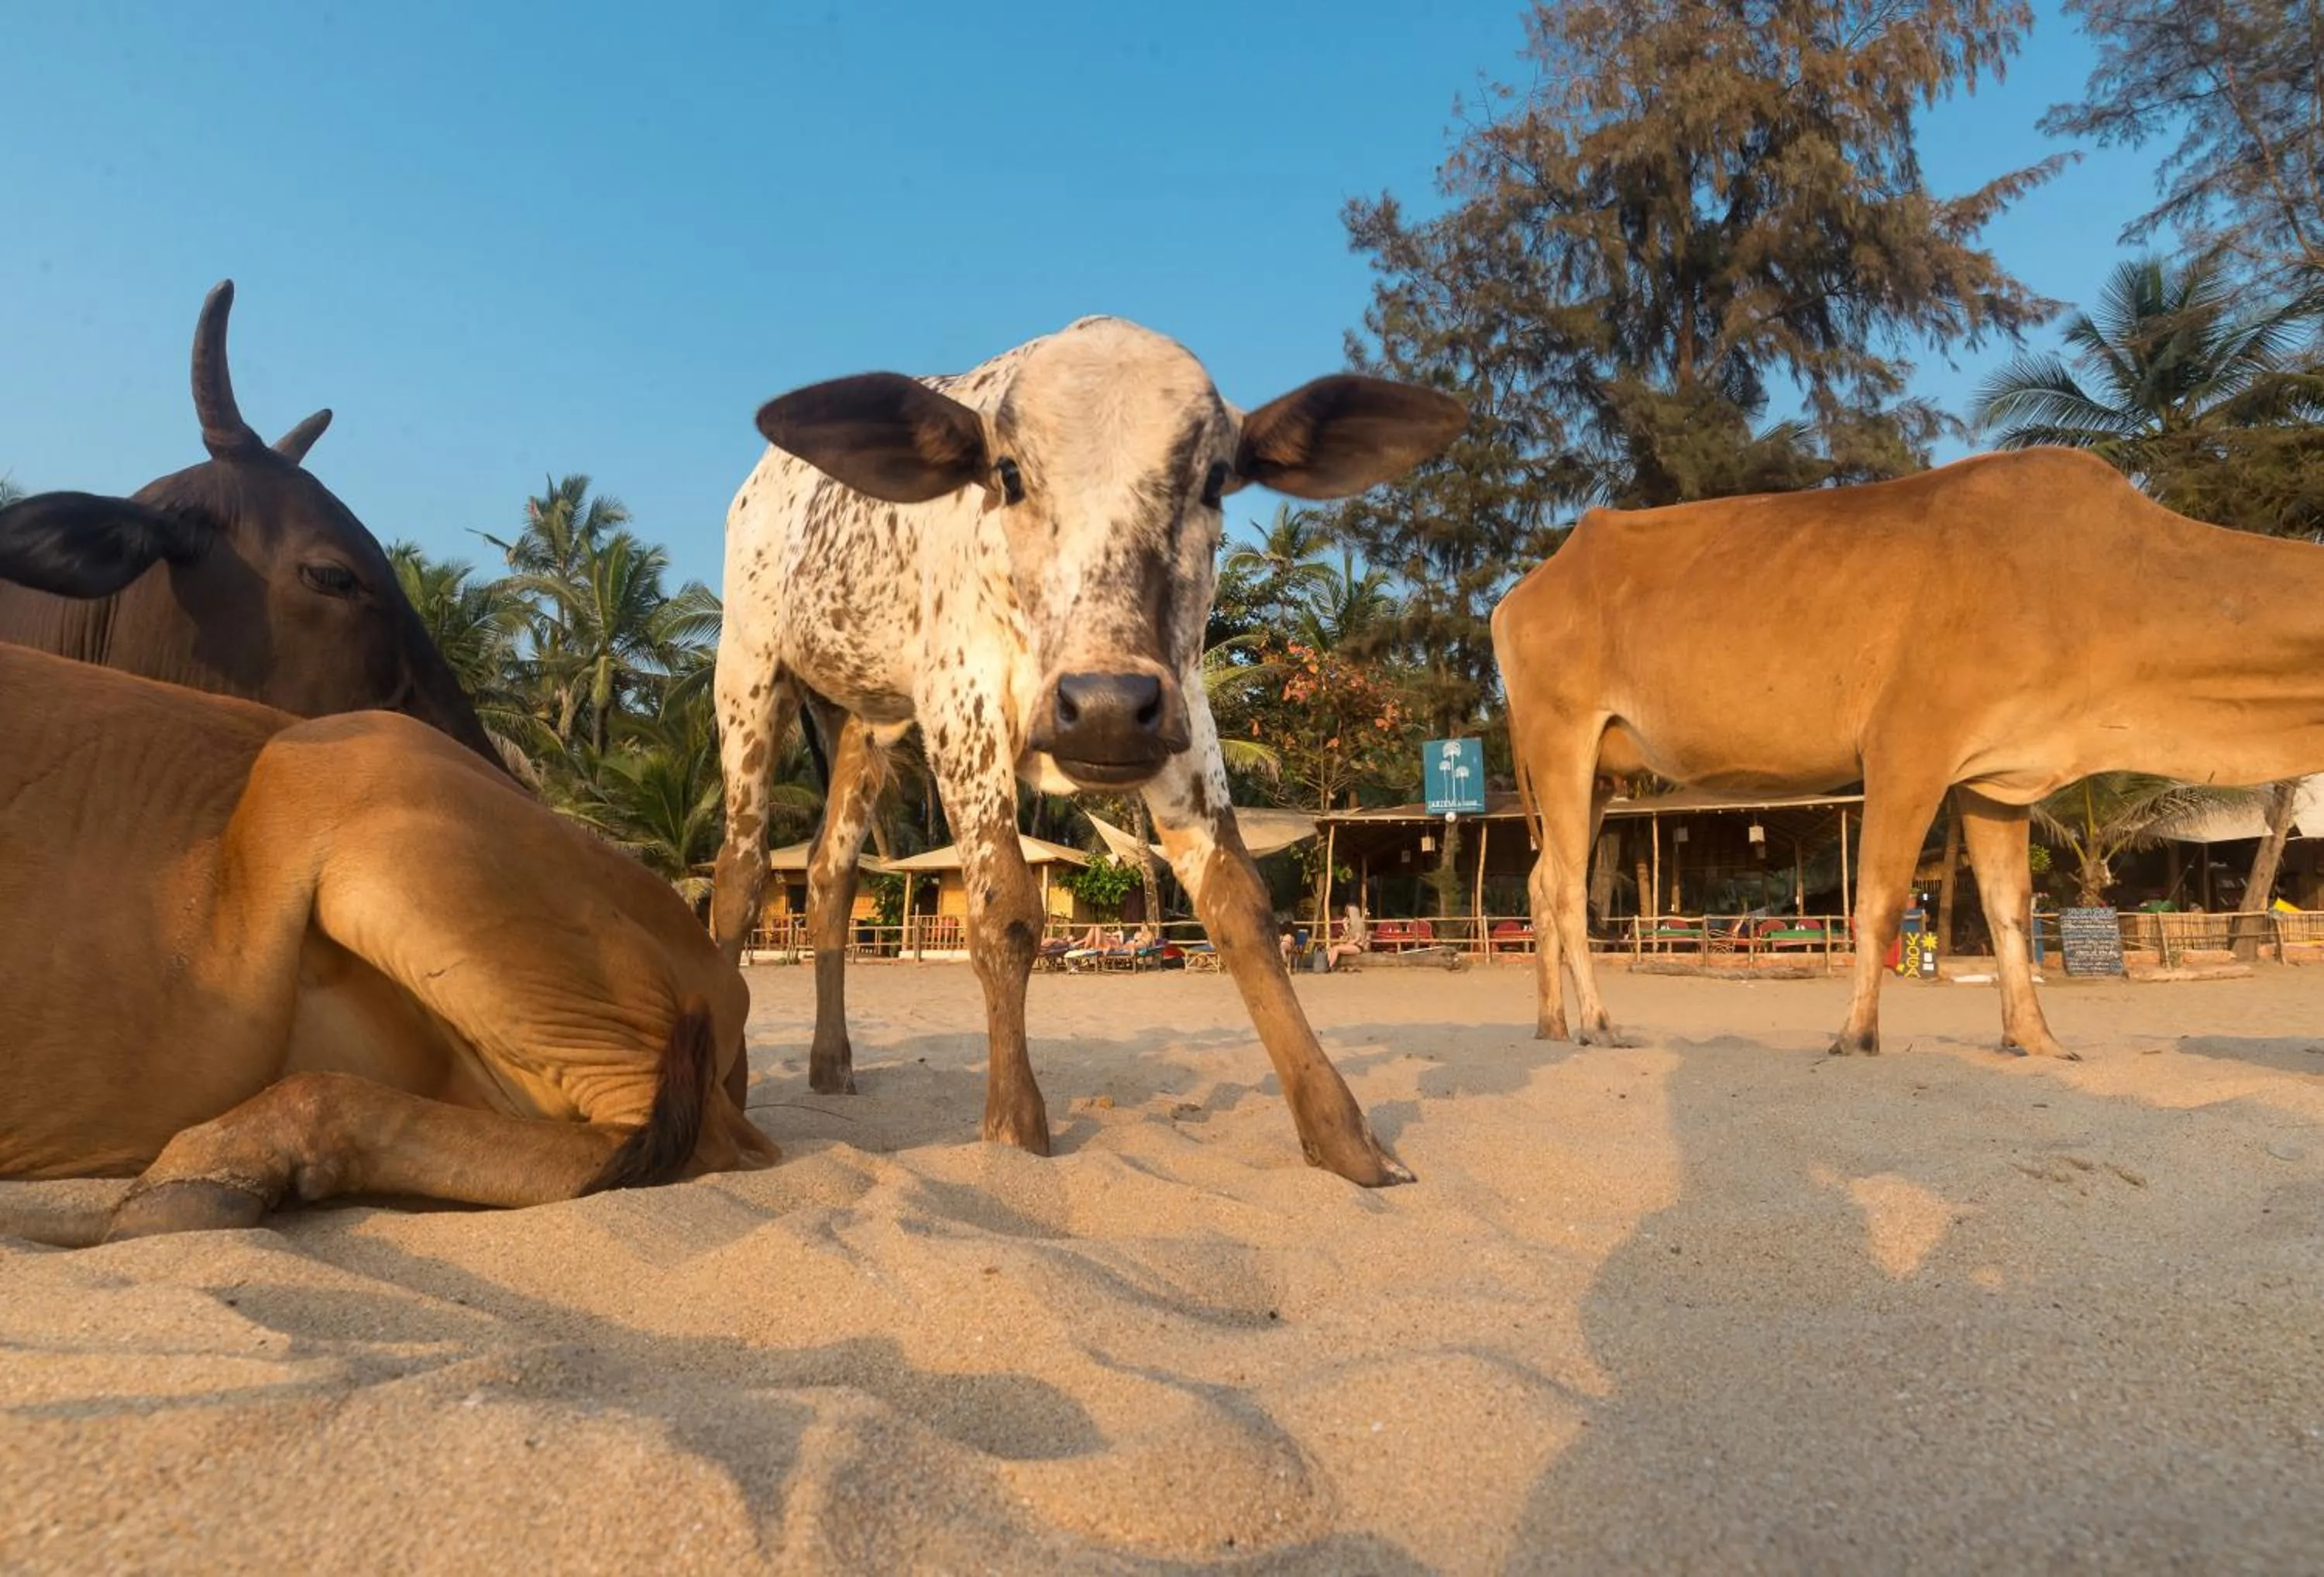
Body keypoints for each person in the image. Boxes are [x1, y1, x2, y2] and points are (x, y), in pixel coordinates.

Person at [1324, 903, 1367, 971]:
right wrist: (1346, 927)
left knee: (1336, 948)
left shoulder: (1359, 923)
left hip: (1358, 946)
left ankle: (1329, 966)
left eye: (1348, 912)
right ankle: (1329, 965)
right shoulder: (1350, 924)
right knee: (1331, 949)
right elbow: (1348, 937)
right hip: (1352, 944)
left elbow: (1357, 939)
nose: (1347, 914)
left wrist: (1347, 944)